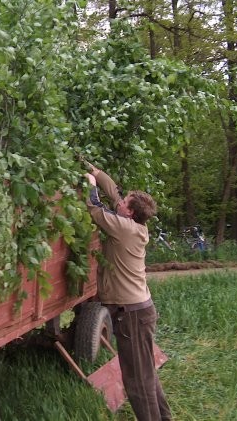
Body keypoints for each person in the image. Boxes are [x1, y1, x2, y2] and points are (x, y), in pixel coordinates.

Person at [84, 163, 171, 421]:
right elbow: (114, 194)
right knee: (145, 373)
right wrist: (96, 172)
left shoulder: (124, 228)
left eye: (124, 204)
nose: (119, 203)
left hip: (131, 316)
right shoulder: (134, 225)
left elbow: (94, 209)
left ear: (130, 213)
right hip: (139, 312)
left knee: (136, 380)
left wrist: (90, 184)